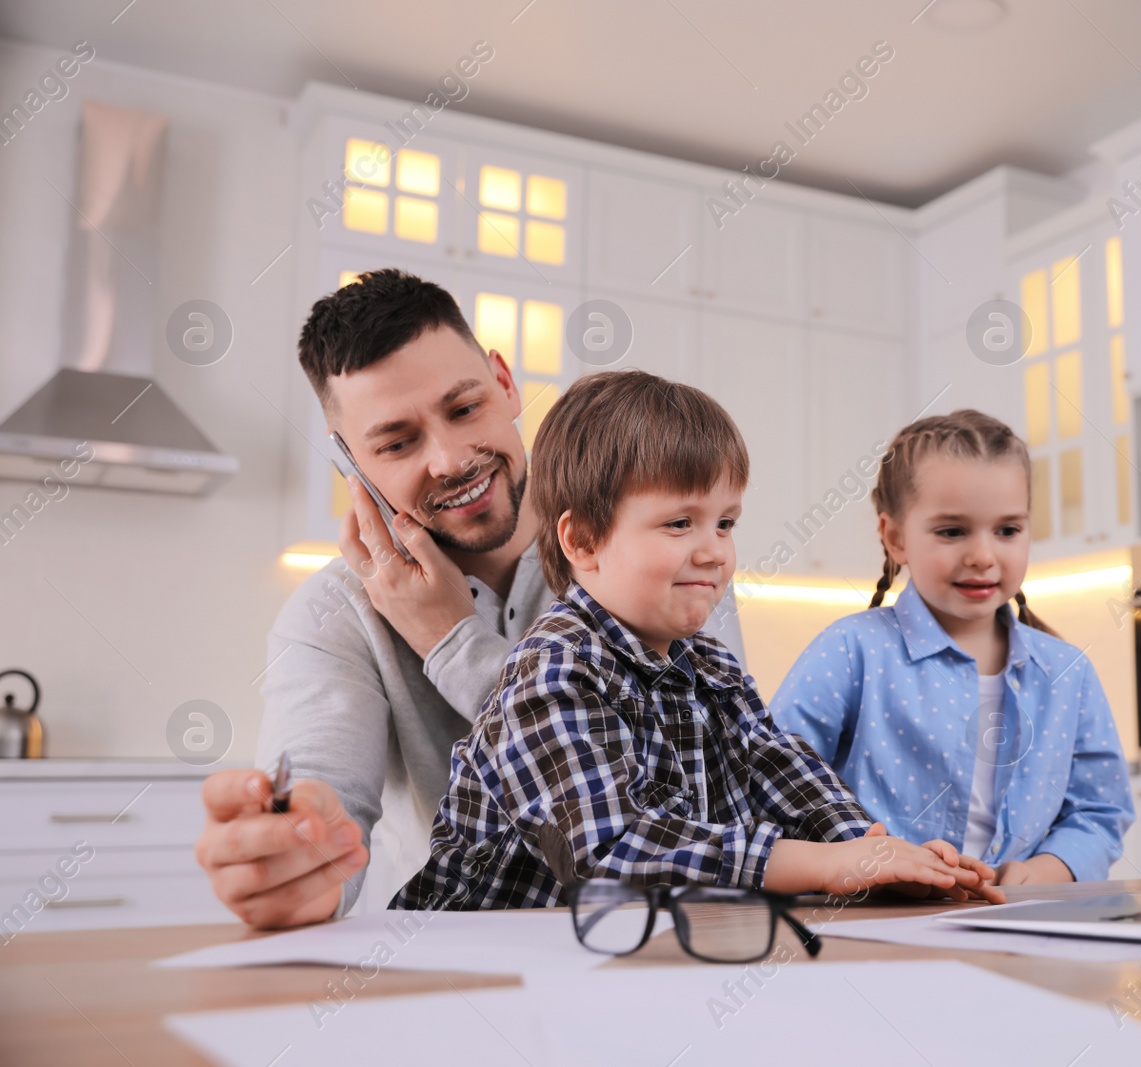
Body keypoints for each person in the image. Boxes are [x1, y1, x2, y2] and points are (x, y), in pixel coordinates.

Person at [193, 270, 746, 929]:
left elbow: (703, 788)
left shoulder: (664, 543)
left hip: (666, 942)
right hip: (451, 976)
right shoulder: (330, 617)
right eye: (397, 443)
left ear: (506, 384)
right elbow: (323, 800)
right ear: (350, 464)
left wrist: (455, 640)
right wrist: (300, 863)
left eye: (464, 409)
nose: (452, 459)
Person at [392, 371, 1002, 909]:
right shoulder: (552, 669)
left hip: (606, 959)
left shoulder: (712, 666)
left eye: (725, 522)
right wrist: (828, 866)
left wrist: (873, 852)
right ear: (583, 543)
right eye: (680, 523)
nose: (714, 551)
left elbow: (782, 773)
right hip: (467, 964)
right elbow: (611, 854)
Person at [769, 410, 1134, 886]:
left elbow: (1102, 810)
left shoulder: (1067, 670)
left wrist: (1049, 869)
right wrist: (863, 857)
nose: (983, 555)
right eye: (952, 531)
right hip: (870, 917)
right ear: (895, 537)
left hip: (1014, 920)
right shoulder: (850, 649)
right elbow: (774, 783)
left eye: (1007, 530)